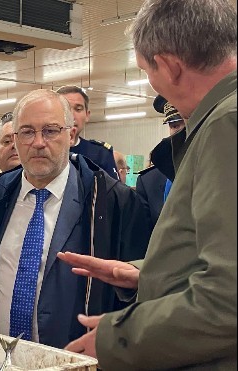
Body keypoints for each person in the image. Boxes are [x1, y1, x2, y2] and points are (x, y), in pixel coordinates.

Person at [58, 0, 236, 369]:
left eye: (146, 69)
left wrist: (117, 337)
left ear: (170, 66)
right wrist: (148, 273)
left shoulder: (226, 125)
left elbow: (229, 298)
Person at [0, 89, 150, 349]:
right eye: (28, 132)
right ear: (16, 138)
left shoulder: (113, 203)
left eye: (51, 131)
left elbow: (139, 290)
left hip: (75, 360)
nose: (39, 142)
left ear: (71, 135)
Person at [135, 95, 185, 229]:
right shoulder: (149, 181)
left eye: (189, 123)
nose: (182, 132)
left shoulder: (218, 170)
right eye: (175, 126)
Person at [56, 85, 119, 179]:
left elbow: (113, 191)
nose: (72, 115)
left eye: (78, 109)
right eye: (65, 109)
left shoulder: (100, 154)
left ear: (87, 115)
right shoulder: (41, 149)